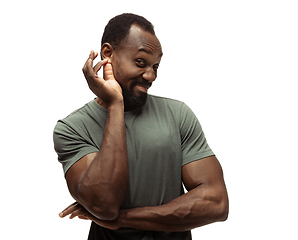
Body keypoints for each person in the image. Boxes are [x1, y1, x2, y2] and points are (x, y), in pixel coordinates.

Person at [53, 13, 229, 240]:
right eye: (140, 62)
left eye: (156, 66)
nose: (151, 75)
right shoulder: (72, 128)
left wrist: (122, 219)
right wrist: (116, 104)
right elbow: (104, 204)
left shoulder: (178, 115)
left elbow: (216, 203)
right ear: (107, 54)